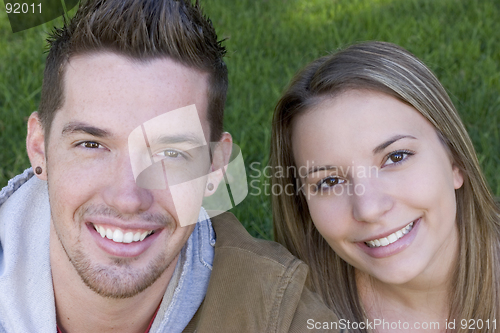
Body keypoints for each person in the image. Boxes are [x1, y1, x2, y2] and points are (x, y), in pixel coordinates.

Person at [0, 0, 339, 332]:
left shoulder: (274, 313)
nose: (127, 198)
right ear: (38, 147)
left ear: (215, 168)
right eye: (92, 145)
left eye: (170, 153)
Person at [270, 41, 500, 332]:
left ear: (455, 162)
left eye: (395, 157)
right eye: (329, 182)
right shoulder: (295, 320)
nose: (369, 209)